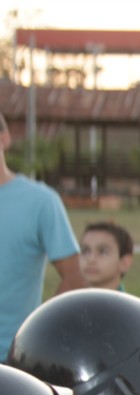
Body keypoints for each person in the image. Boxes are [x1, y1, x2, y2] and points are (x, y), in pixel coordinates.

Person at [0, 112, 85, 357]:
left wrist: (37, 334)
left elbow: (73, 278)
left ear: (4, 139)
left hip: (12, 361)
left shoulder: (41, 201)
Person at [79, 221, 134, 291]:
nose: (91, 259)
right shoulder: (70, 301)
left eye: (103, 252)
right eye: (85, 251)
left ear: (124, 263)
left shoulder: (127, 302)